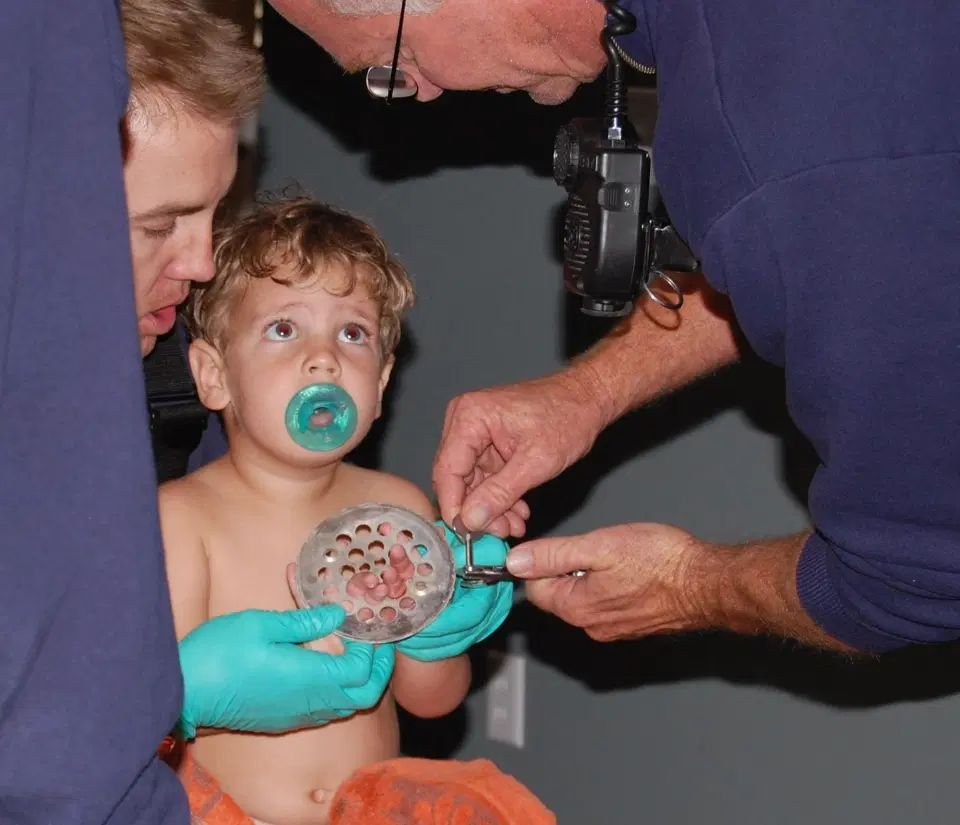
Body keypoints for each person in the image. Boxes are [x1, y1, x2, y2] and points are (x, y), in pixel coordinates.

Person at [270, 0, 960, 653]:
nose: (420, 93)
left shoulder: (774, 149)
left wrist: (690, 585)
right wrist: (590, 392)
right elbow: (795, 254)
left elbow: (913, 577)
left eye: (391, 66)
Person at [160, 196, 491, 824]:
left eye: (353, 332)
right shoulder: (182, 521)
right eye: (284, 329)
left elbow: (434, 703)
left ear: (381, 386)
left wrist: (432, 635)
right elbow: (152, 722)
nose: (324, 357)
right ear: (213, 375)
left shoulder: (398, 510)